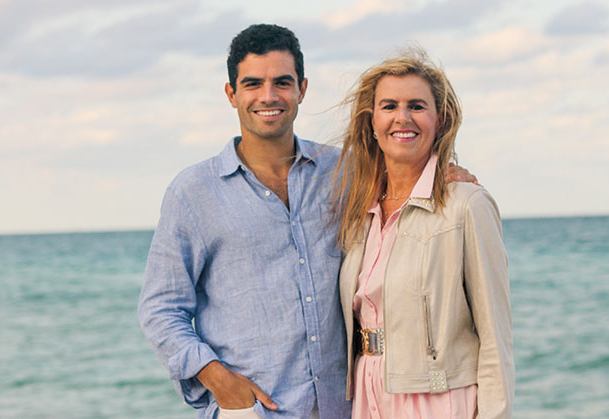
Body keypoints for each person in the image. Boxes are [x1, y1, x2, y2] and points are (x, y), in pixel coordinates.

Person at [138, 24, 476, 419]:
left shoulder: (346, 172)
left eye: (282, 82)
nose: (268, 96)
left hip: (346, 409)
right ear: (231, 94)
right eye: (252, 84)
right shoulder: (193, 192)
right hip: (253, 412)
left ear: (302, 89)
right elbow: (161, 308)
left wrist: (445, 175)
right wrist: (219, 381)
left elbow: (404, 184)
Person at [333, 48, 514, 418]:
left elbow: (496, 338)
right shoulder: (357, 211)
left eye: (416, 106)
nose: (402, 117)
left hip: (438, 399)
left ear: (440, 120)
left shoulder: (466, 204)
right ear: (371, 121)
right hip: (368, 395)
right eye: (389, 106)